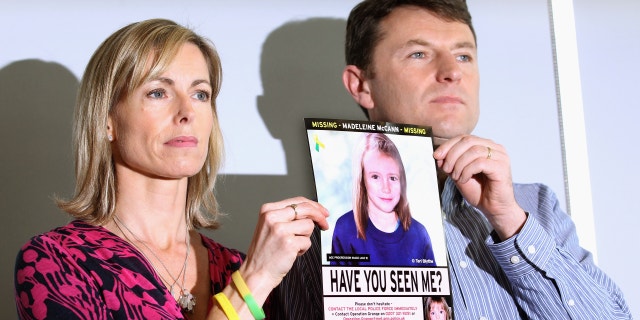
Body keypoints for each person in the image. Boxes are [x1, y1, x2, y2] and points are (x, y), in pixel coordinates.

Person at [270, 0, 632, 319]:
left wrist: (511, 221)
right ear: (361, 86)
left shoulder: (537, 208)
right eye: (419, 54)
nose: (452, 72)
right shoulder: (313, 239)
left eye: (463, 55)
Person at [14, 18, 329, 320]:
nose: (187, 112)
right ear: (107, 120)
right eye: (158, 92)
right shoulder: (56, 262)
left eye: (200, 94)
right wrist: (253, 282)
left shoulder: (237, 265)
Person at [331, 132, 436, 266]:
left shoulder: (419, 233)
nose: (386, 188)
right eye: (375, 177)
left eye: (393, 178)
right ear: (362, 181)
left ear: (402, 181)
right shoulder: (345, 228)